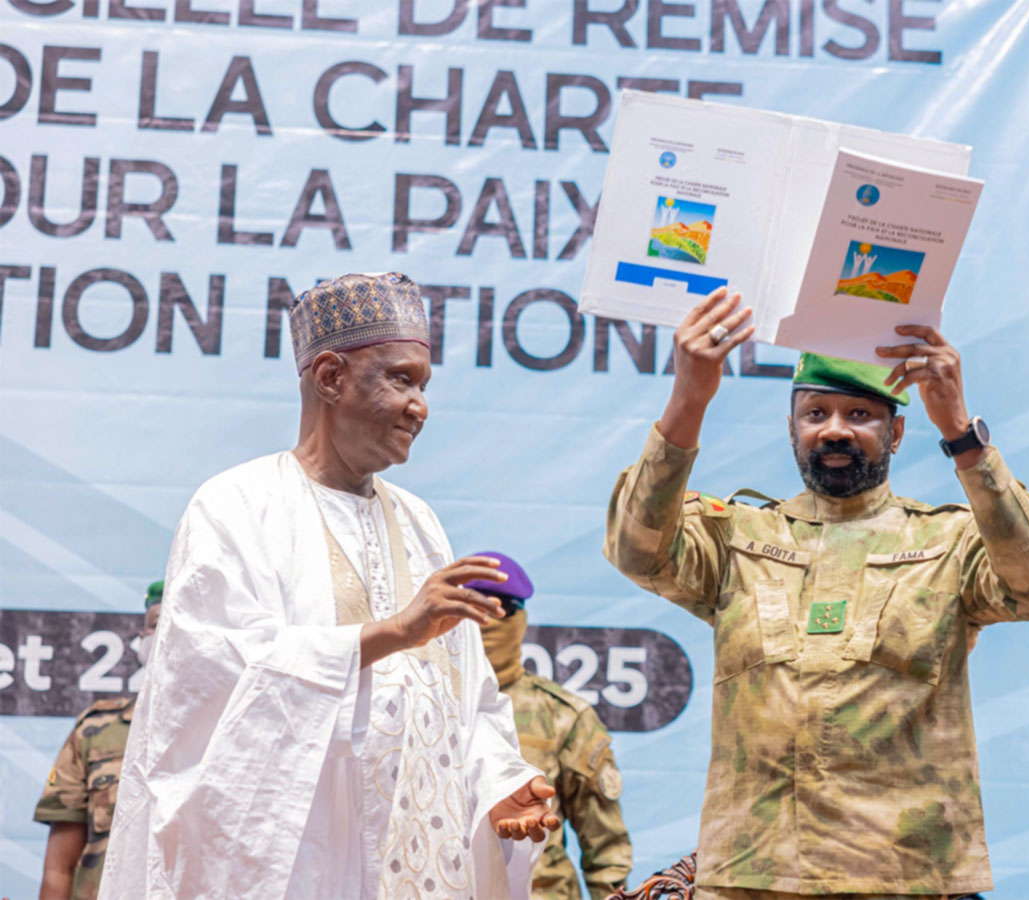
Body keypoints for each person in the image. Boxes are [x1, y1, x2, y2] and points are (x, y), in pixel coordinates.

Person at [603, 287, 1029, 899]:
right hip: (753, 875)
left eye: (859, 415)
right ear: (792, 427)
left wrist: (961, 432)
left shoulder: (950, 543)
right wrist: (688, 399)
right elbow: (635, 548)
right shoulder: (737, 539)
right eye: (816, 414)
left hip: (904, 878)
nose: (835, 431)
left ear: (898, 431)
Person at [98, 272, 560, 900]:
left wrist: (499, 782)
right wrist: (393, 632)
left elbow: (466, 701)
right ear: (330, 377)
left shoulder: (421, 523)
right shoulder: (238, 505)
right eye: (401, 379)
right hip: (301, 872)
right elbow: (218, 684)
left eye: (424, 385)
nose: (420, 406)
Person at [470, 552, 634, 900]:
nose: (487, 620)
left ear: (521, 619)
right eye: (474, 605)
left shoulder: (563, 716)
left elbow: (605, 846)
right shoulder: (417, 706)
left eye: (502, 607)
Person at [33, 580, 163, 900]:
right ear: (142, 639)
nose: (165, 637)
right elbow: (58, 870)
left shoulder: (236, 736)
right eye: (157, 626)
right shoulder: (97, 729)